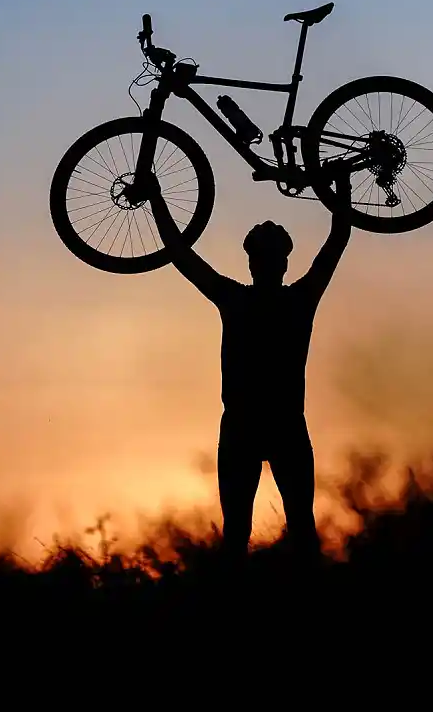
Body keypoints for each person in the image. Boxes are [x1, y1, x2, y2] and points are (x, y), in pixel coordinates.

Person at [131, 166, 353, 563]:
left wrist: (156, 198)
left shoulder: (237, 299)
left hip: (251, 426)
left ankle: (239, 595)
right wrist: (342, 185)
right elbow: (338, 238)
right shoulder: (297, 299)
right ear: (282, 264)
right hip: (275, 425)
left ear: (255, 263)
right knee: (292, 529)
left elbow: (181, 255)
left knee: (245, 533)